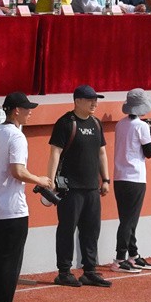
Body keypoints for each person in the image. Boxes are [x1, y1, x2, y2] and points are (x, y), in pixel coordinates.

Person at [0, 92, 53, 302]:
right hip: (12, 209)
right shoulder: (17, 137)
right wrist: (41, 180)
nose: (30, 111)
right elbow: (17, 171)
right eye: (26, 108)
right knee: (9, 263)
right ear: (15, 110)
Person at [48, 85, 113, 289]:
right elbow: (55, 153)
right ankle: (64, 272)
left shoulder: (95, 123)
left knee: (91, 230)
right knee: (67, 229)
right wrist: (49, 184)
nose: (95, 103)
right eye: (90, 100)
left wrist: (106, 180)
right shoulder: (66, 123)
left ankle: (89, 271)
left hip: (91, 188)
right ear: (77, 101)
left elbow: (102, 152)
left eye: (96, 99)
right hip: (70, 188)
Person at [113, 89, 151, 274]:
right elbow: (149, 151)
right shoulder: (140, 127)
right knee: (129, 220)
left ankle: (132, 255)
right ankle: (119, 259)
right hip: (135, 177)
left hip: (120, 177)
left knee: (128, 218)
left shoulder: (120, 124)